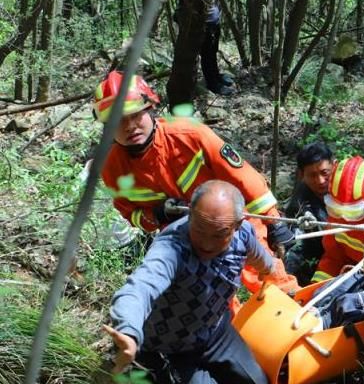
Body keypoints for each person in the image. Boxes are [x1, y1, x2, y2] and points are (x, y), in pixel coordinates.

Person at [93, 71, 298, 294]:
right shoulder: (112, 168)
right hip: (186, 240)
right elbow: (131, 213)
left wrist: (274, 221)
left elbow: (243, 176)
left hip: (233, 222)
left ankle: (300, 317)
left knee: (272, 281)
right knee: (208, 301)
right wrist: (156, 216)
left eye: (136, 115)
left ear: (150, 109)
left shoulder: (190, 135)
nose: (130, 126)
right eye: (119, 121)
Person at [104, 181, 276, 384]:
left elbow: (258, 257)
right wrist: (128, 330)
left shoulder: (243, 235)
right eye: (200, 229)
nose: (207, 243)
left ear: (237, 225)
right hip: (168, 354)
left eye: (218, 233)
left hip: (216, 332)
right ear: (189, 215)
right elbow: (140, 287)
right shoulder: (172, 248)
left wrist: (269, 271)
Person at [283, 142, 334, 285]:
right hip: (319, 255)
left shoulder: (348, 186)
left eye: (325, 173)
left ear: (333, 165)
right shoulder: (298, 205)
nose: (320, 181)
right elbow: (295, 247)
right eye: (312, 175)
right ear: (301, 175)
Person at [175, 0, 233, 96]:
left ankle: (216, 76)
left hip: (213, 23)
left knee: (212, 54)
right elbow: (181, 10)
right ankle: (212, 84)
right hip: (204, 26)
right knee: (207, 57)